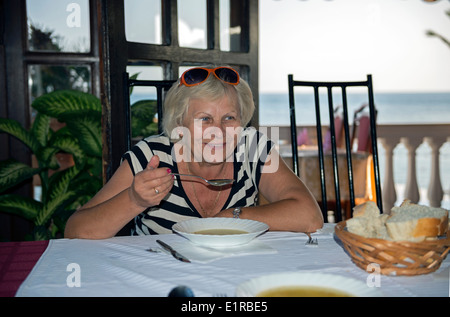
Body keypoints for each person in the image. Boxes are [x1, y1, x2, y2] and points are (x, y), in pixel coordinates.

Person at [64, 66, 323, 239]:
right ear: (179, 124)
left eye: (229, 117)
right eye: (205, 119)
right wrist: (135, 199)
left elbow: (310, 216)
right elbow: (75, 230)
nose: (218, 131)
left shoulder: (252, 147)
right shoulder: (152, 156)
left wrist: (231, 217)